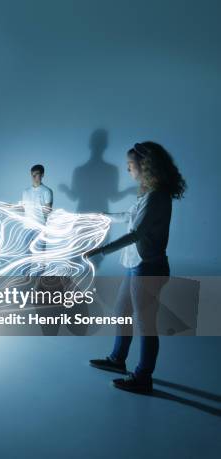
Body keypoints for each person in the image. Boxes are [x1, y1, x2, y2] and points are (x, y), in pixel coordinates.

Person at [85, 142, 186, 394]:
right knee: (122, 311)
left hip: (149, 268)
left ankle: (143, 377)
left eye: (130, 165)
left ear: (144, 166)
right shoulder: (148, 193)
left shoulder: (156, 196)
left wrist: (100, 250)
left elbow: (135, 233)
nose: (127, 169)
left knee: (145, 324)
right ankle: (118, 360)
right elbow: (129, 216)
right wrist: (103, 216)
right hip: (136, 265)